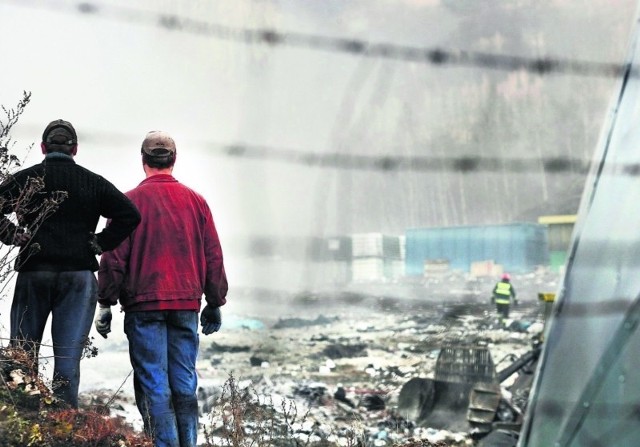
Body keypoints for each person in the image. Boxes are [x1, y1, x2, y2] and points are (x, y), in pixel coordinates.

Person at [96, 130, 228, 447]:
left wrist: (105, 303)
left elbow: (113, 257)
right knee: (184, 381)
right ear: (174, 160)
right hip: (185, 304)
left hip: (143, 306)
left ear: (143, 161)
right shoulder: (197, 202)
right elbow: (213, 254)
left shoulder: (127, 204)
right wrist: (215, 301)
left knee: (153, 382)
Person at [0, 119, 141, 408]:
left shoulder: (27, 178)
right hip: (78, 278)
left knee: (22, 358)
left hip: (34, 272)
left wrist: (13, 235)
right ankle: (63, 424)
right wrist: (100, 242)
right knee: (67, 360)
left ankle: (26, 421)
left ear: (43, 147)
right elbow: (130, 215)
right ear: (75, 149)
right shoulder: (93, 182)